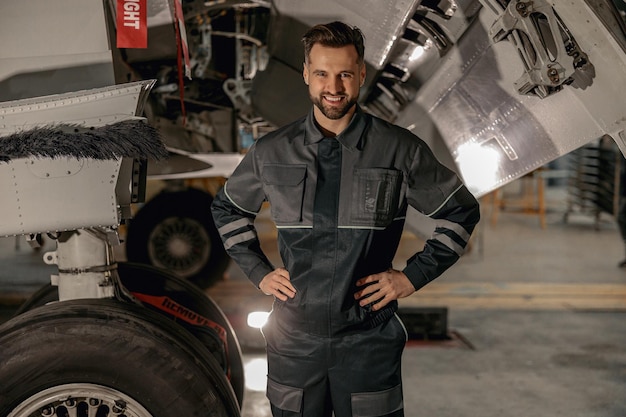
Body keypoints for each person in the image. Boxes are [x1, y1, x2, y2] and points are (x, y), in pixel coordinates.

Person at [211, 21, 481, 417]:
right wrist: (259, 271)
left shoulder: (399, 150)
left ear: (361, 76)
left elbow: (460, 212)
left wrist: (411, 277)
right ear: (306, 74)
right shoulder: (272, 151)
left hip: (368, 342)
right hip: (293, 343)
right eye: (321, 73)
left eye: (344, 74)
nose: (333, 87)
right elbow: (228, 209)